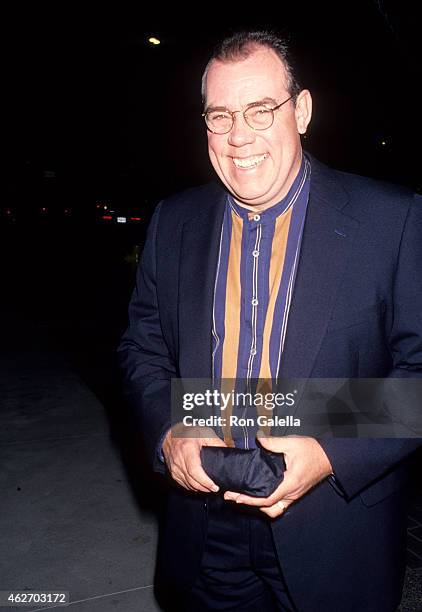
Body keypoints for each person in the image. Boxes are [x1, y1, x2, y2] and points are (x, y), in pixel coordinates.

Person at [118, 30, 422, 611]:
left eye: (261, 110)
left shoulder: (394, 220)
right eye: (220, 115)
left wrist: (330, 450)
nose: (238, 137)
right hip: (205, 527)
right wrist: (169, 431)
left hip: (335, 526)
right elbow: (143, 347)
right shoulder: (174, 221)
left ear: (302, 111)